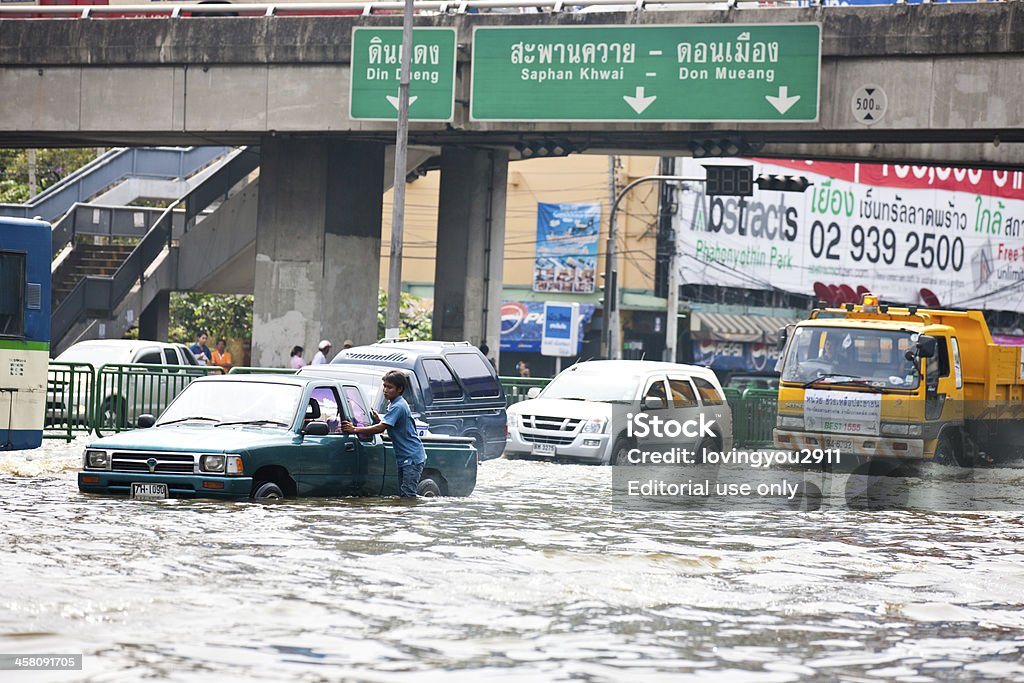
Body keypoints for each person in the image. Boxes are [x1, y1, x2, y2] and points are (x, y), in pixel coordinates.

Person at [342, 370, 426, 498]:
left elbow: (381, 428)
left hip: (411, 457)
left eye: (390, 387)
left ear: (400, 389)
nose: (385, 390)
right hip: (407, 457)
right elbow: (387, 426)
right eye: (385, 386)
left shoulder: (398, 406)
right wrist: (378, 420)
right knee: (405, 494)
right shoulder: (394, 404)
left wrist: (355, 429)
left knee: (408, 495)